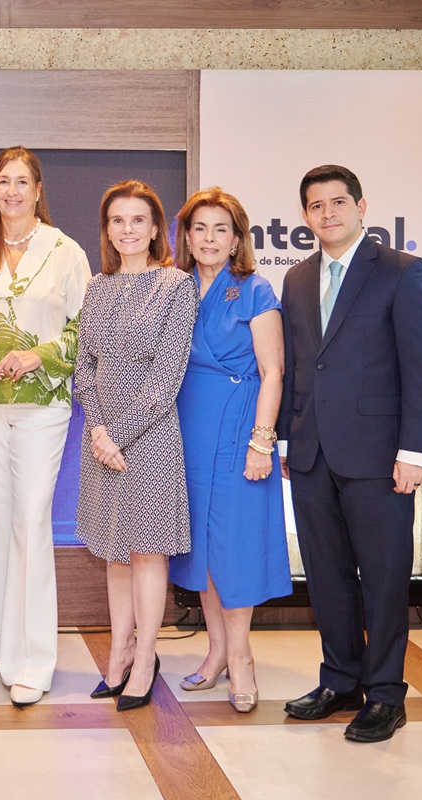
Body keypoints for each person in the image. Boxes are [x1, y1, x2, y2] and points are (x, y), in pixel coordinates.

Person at [278, 165, 422, 743]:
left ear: (361, 206)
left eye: (338, 202)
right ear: (305, 216)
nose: (328, 213)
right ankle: (340, 680)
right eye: (316, 206)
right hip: (311, 454)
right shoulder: (296, 280)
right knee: (326, 577)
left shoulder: (401, 271)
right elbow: (299, 366)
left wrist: (416, 450)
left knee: (384, 577)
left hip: (379, 455)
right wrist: (283, 438)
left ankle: (386, 696)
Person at [0, 146, 91, 707]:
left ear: (38, 189)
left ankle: (33, 658)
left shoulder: (66, 252)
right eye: (3, 181)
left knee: (32, 520)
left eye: (22, 182)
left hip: (43, 403)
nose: (12, 191)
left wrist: (41, 355)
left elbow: (87, 331)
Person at [75, 179, 197, 711]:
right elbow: (85, 368)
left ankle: (146, 657)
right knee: (113, 554)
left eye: (138, 220)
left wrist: (116, 434)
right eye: (117, 220)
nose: (128, 229)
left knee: (147, 553)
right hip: (101, 441)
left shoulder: (175, 286)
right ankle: (119, 653)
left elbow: (167, 377)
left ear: (156, 229)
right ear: (107, 229)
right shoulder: (97, 287)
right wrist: (99, 432)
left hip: (149, 440)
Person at [168, 187, 291, 714]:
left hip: (240, 428)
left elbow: (274, 371)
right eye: (200, 228)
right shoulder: (172, 288)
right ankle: (215, 653)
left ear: (237, 238)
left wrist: (262, 441)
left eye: (222, 229)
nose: (210, 238)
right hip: (185, 430)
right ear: (187, 236)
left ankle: (241, 659)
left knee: (233, 549)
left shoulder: (256, 289)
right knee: (201, 550)